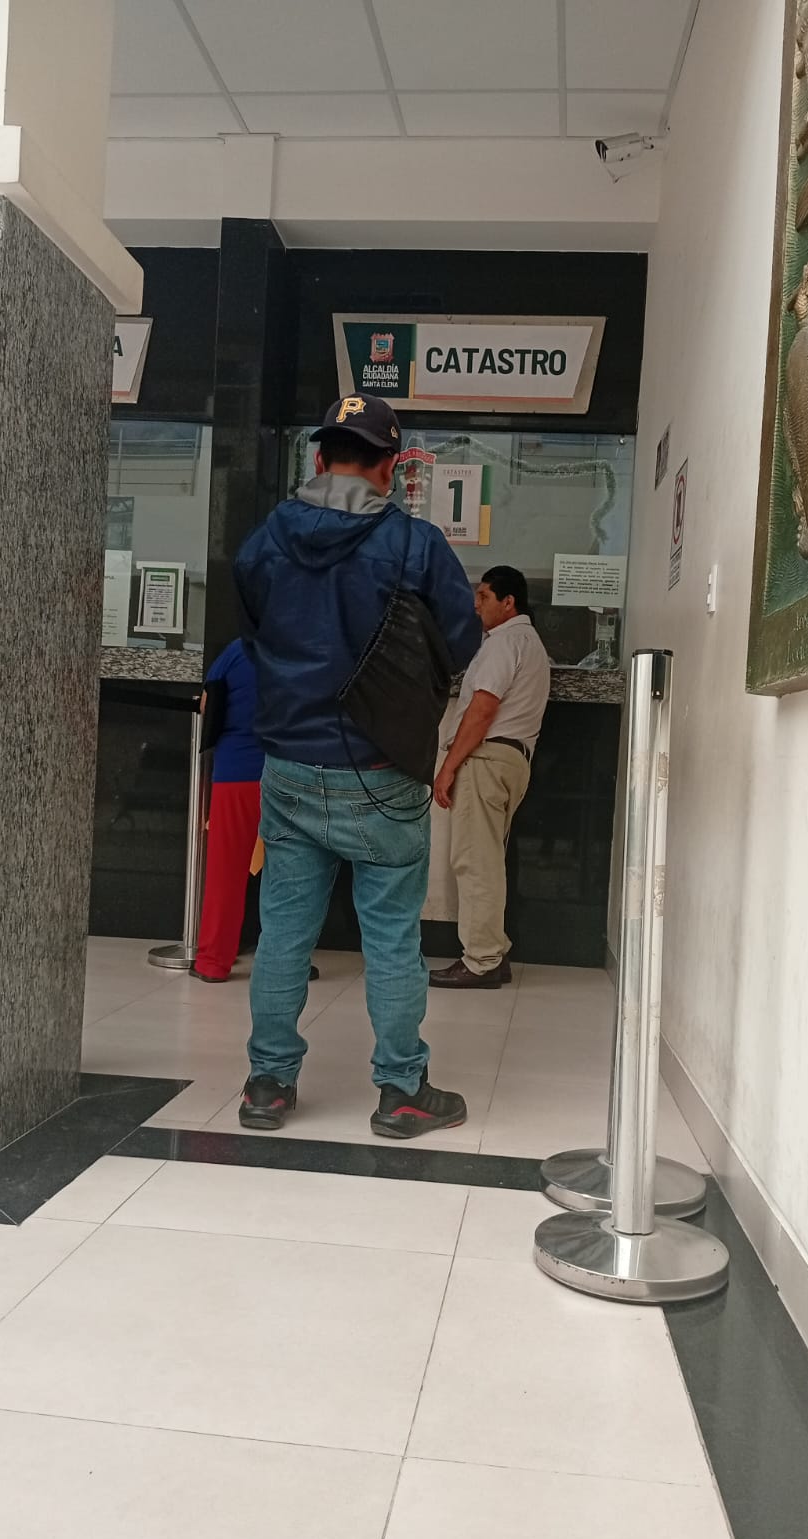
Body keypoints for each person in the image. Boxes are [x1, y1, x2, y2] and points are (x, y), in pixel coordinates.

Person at [233, 395, 483, 1138]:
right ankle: (401, 1091)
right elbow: (462, 641)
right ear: (391, 468)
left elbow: (251, 632)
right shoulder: (415, 544)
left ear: (319, 458)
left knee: (283, 935)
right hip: (381, 767)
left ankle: (268, 1086)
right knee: (392, 937)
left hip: (289, 765)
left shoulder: (267, 540)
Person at [430, 566, 550, 991]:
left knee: (474, 862)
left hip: (486, 759)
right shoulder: (530, 643)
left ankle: (480, 961)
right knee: (488, 861)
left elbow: (483, 709)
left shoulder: (504, 642)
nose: (476, 605)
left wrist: (448, 766)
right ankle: (493, 954)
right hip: (512, 760)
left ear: (508, 602)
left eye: (484, 596)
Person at [192, 638, 319, 986]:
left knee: (225, 871)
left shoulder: (236, 651)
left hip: (235, 773)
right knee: (292, 874)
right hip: (290, 773)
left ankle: (213, 962)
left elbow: (207, 704)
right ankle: (289, 963)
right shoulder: (303, 648)